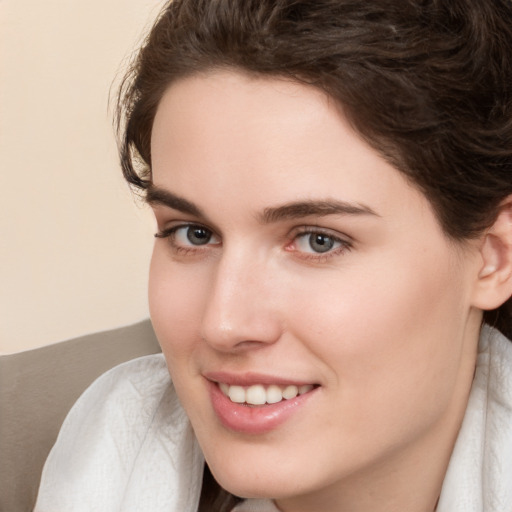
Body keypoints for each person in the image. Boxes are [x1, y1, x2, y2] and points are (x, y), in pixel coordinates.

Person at [35, 1, 512, 511]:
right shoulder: (38, 448)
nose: (223, 323)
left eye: (317, 240)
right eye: (194, 234)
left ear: (495, 256)